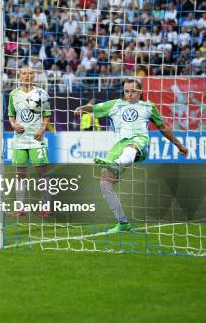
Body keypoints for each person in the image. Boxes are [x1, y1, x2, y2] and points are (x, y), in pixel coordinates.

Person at [74, 78, 188, 233]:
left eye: (133, 91)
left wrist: (179, 145)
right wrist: (81, 108)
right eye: (126, 91)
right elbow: (93, 108)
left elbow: (163, 127)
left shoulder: (148, 107)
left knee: (131, 146)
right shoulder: (115, 104)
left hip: (139, 142)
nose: (129, 94)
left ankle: (118, 163)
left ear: (140, 91)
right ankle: (123, 223)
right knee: (105, 184)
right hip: (118, 146)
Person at [8, 67, 52, 217]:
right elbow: (11, 115)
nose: (28, 76)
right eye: (25, 74)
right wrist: (13, 125)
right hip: (19, 140)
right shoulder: (13, 94)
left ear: (34, 76)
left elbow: (46, 114)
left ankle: (47, 207)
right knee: (19, 174)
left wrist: (42, 128)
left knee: (42, 173)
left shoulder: (41, 93)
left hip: (36, 139)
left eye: (31, 74)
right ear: (19, 76)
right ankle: (20, 208)